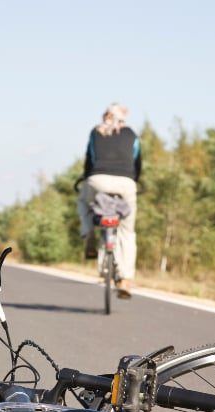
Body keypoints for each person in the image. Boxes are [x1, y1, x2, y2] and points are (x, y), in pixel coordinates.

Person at [77, 103, 141, 299]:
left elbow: (90, 160)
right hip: (126, 183)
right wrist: (133, 180)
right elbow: (137, 161)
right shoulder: (132, 134)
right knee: (127, 231)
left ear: (105, 116)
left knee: (83, 202)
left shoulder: (95, 133)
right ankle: (126, 279)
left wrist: (88, 178)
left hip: (98, 180)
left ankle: (88, 233)